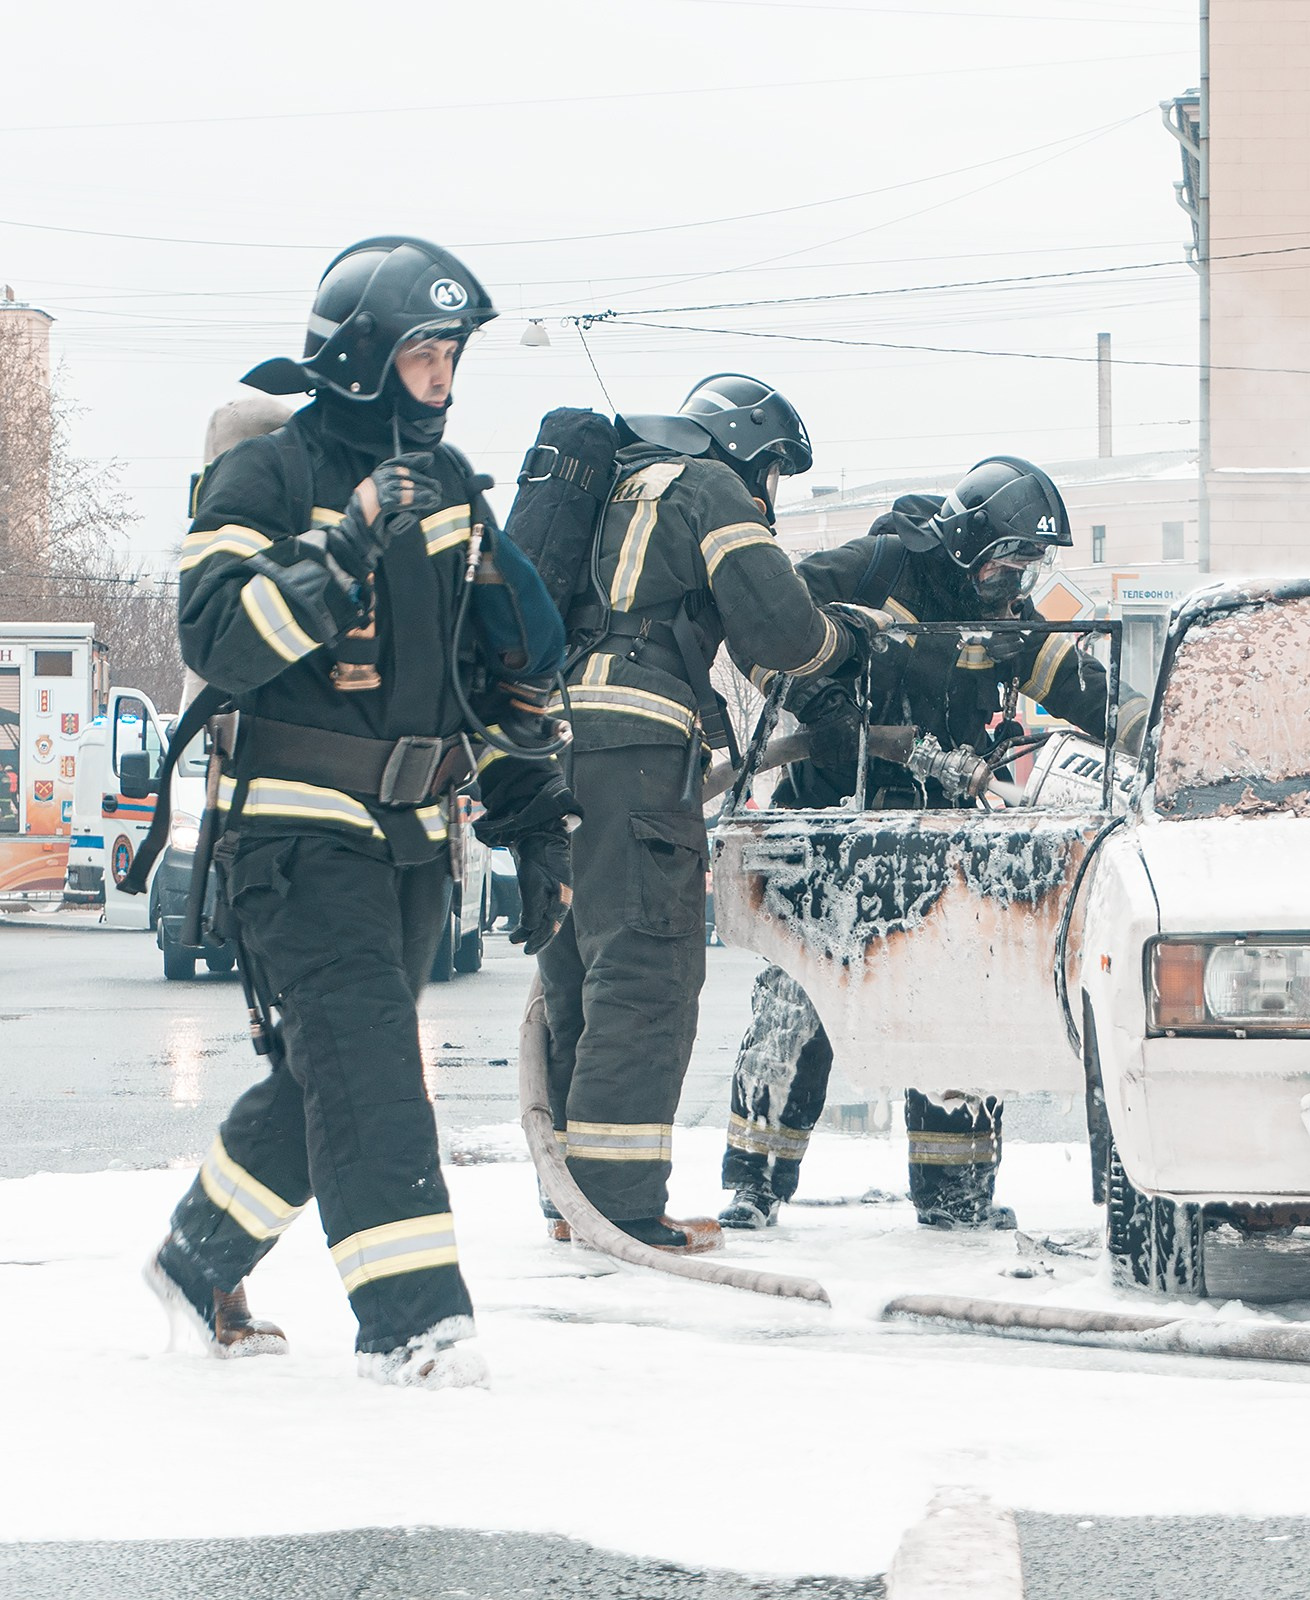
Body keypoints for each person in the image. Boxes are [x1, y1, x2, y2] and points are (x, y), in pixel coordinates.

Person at [146, 236, 573, 1388]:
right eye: (429, 355)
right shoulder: (269, 477)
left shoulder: (448, 491)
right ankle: (415, 1327)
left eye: (453, 357)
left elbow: (502, 675)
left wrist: (534, 824)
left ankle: (196, 1257)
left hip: (412, 839)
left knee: (328, 1072)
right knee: (378, 1069)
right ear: (368, 359)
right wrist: (341, 544)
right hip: (292, 834)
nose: (446, 379)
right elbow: (219, 641)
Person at [717, 455, 1141, 1233]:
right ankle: (754, 1184)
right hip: (836, 824)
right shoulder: (877, 566)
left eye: (1029, 565)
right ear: (968, 541)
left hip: (945, 835)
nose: (1017, 578)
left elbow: (1077, 684)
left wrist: (1166, 736)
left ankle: (954, 1195)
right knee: (801, 999)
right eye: (1009, 560)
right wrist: (818, 697)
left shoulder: (1007, 615)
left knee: (955, 1005)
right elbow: (762, 617)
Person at [535, 374, 858, 1256]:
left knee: (579, 964)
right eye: (777, 473)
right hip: (638, 755)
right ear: (747, 447)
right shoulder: (709, 487)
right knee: (646, 971)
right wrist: (846, 653)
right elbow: (785, 629)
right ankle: (618, 1207)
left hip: (553, 743)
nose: (773, 494)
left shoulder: (614, 490)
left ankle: (568, 1196)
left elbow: (695, 625)